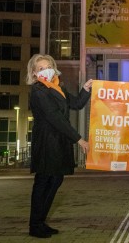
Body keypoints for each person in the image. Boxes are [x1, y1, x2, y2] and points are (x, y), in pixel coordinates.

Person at [26, 54, 93, 238]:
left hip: (59, 141)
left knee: (55, 180)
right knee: (43, 181)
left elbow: (76, 104)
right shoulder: (39, 91)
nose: (46, 70)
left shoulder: (57, 86)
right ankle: (35, 224)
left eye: (48, 66)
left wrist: (85, 89)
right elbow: (55, 118)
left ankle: (40, 222)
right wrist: (79, 139)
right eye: (40, 68)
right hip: (47, 142)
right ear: (34, 73)